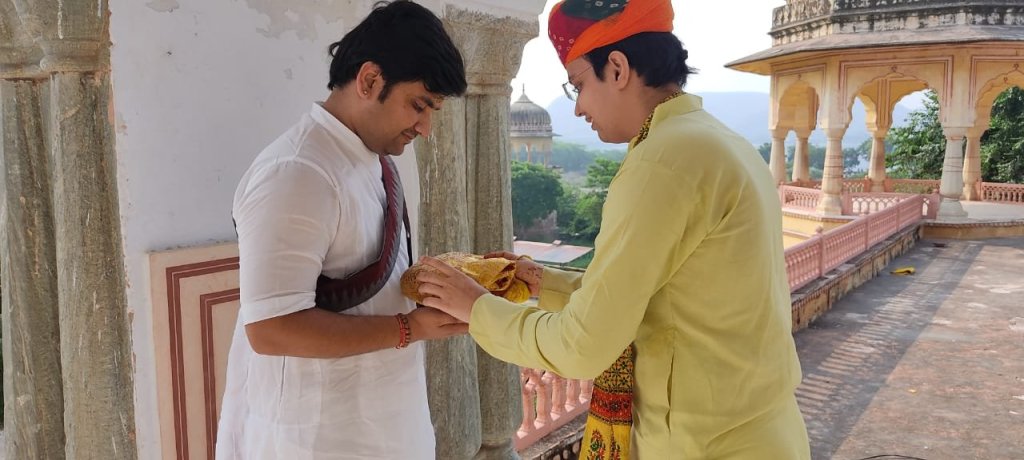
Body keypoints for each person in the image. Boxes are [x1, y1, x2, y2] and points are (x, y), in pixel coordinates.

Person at [415, 0, 812, 458]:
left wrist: (477, 309)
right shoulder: (719, 141)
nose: (579, 107)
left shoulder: (663, 161)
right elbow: (654, 297)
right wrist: (543, 282)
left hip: (707, 446)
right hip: (760, 432)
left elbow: (583, 346)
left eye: (579, 85)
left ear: (618, 69)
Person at [216, 2, 469, 458]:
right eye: (419, 105)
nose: (425, 128)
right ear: (369, 81)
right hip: (316, 438)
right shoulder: (297, 172)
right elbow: (271, 328)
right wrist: (409, 328)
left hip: (385, 424)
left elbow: (376, 286)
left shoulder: (370, 158)